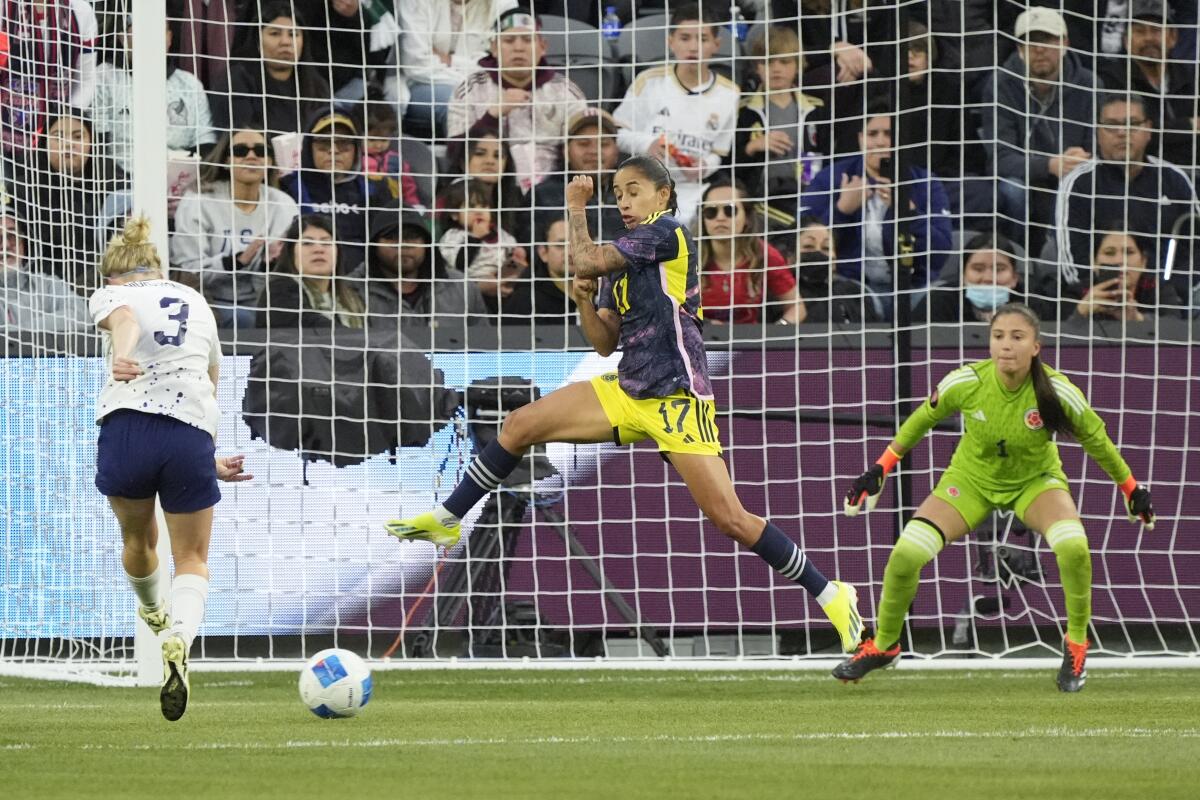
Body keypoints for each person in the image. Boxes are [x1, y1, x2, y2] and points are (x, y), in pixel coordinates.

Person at [384, 155, 865, 654]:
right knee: (520, 423)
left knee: (732, 519)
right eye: (616, 194)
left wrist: (575, 208)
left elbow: (587, 257)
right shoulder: (627, 259)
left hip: (675, 396)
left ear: (663, 195)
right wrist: (582, 301)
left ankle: (832, 595)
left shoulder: (668, 234)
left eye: (633, 190)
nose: (624, 201)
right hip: (627, 388)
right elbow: (601, 341)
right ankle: (448, 516)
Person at [835, 302, 1155, 692]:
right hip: (970, 481)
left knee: (1073, 547)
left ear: (1036, 346)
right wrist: (880, 468)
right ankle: (884, 645)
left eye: (1017, 337)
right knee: (906, 555)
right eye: (998, 336)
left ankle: (1076, 645)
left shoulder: (1057, 391)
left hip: (1035, 483)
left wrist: (1131, 488)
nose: (1006, 345)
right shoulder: (966, 382)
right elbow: (921, 419)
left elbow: (1097, 440)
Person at [89, 215, 252, 721]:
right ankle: (181, 635)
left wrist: (121, 355)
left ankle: (155, 615)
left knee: (139, 544)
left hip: (128, 428)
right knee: (194, 557)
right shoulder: (197, 301)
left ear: (112, 277)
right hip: (188, 435)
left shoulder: (113, 293)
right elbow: (211, 380)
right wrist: (206, 453)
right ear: (158, 267)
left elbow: (126, 323)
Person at [799, 97, 952, 309]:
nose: (880, 142)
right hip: (850, 285)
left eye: (889, 134)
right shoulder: (830, 178)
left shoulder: (926, 183)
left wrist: (909, 213)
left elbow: (939, 253)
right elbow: (802, 242)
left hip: (912, 287)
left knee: (942, 299)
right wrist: (842, 210)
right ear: (861, 139)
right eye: (872, 134)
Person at [1055, 94, 1198, 294]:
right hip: (1100, 300)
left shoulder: (1174, 178)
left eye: (1132, 124)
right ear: (1097, 131)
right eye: (1111, 125)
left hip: (1171, 299)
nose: (1122, 132)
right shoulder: (1078, 183)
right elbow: (1072, 263)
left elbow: (1195, 244)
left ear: (1149, 129)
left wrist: (1172, 292)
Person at [612, 1, 738, 227]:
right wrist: (647, 143)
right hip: (645, 187)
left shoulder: (729, 93)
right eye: (685, 38)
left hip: (697, 192)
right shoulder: (649, 82)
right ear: (671, 42)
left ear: (716, 44)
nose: (693, 47)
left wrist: (705, 166)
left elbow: (719, 152)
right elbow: (617, 135)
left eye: (703, 39)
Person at [983, 7, 1098, 253]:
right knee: (1013, 190)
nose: (1039, 49)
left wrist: (1076, 163)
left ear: (1064, 42)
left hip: (1075, 175)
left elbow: (1096, 148)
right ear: (1019, 48)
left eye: (1047, 39)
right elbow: (999, 160)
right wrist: (1049, 165)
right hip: (1026, 180)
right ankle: (1018, 260)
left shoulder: (1089, 84)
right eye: (1030, 41)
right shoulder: (1001, 85)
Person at [170, 128, 299, 328]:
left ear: (270, 161)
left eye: (260, 151)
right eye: (240, 151)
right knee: (244, 319)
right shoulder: (198, 201)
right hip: (207, 300)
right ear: (226, 160)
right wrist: (235, 263)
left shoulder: (284, 205)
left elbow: (287, 274)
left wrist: (268, 265)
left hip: (263, 301)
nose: (251, 156)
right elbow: (187, 270)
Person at [446, 6, 586, 191]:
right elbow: (454, 152)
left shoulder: (565, 92)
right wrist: (492, 115)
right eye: (509, 40)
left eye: (527, 40)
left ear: (543, 47)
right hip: (485, 191)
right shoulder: (471, 89)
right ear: (494, 47)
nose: (518, 48)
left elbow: (584, 150)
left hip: (551, 192)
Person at [11, 107, 131, 295]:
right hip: (44, 293)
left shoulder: (116, 183)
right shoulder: (21, 191)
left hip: (107, 286)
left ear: (91, 142)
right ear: (44, 143)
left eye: (77, 137)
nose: (68, 144)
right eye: (58, 136)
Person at [91, 2, 216, 175]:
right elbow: (97, 142)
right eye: (141, 30)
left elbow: (206, 143)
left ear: (170, 38)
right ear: (122, 38)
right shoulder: (103, 78)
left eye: (158, 30)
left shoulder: (190, 84)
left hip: (181, 182)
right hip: (121, 181)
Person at [733, 24, 829, 234]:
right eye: (768, 62)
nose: (776, 68)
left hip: (807, 202)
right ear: (757, 67)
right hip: (759, 206)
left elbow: (828, 156)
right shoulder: (743, 111)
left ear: (798, 65)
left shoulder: (817, 109)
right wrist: (752, 146)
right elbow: (728, 167)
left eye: (784, 61)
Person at [280, 111, 400, 269]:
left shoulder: (378, 188)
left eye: (343, 144)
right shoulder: (288, 186)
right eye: (324, 143)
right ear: (309, 148)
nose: (334, 150)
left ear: (356, 150)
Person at [1098, 1, 1199, 168]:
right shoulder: (1111, 79)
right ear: (1126, 41)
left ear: (1173, 38)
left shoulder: (1192, 77)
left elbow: (1145, 133)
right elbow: (1127, 135)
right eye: (1139, 31)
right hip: (1137, 177)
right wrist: (1188, 125)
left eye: (1156, 30)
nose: (1149, 38)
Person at [399, 0, 518, 139]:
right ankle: (461, 158)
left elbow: (501, 62)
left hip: (483, 85)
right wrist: (471, 80)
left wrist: (451, 60)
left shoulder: (503, 4)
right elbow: (416, 65)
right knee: (460, 102)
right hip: (420, 84)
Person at [358, 208, 490, 332]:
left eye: (412, 236)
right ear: (374, 245)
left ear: (426, 243)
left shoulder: (462, 287)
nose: (403, 244)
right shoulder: (351, 293)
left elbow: (482, 348)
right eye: (392, 237)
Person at [697, 180, 805, 325]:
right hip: (695, 339)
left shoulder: (766, 255)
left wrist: (776, 332)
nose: (720, 218)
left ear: (747, 218)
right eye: (711, 212)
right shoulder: (685, 256)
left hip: (748, 343)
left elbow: (797, 306)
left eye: (730, 210)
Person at [219, 2, 333, 137]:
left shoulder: (318, 87)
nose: (285, 42)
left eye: (293, 34)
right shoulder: (238, 81)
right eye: (275, 34)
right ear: (257, 40)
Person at [0, 0, 98, 156]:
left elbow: (86, 79)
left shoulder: (81, 11)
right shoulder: (3, 8)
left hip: (60, 136)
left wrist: (67, 122)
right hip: (8, 135)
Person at [532, 108, 627, 245]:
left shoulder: (633, 194)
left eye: (603, 144)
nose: (594, 151)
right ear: (566, 151)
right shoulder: (542, 196)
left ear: (617, 151)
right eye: (583, 143)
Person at [256, 214, 367, 330]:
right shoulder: (277, 292)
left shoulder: (353, 298)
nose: (318, 249)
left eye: (326, 243)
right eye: (307, 243)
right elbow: (313, 330)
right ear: (291, 253)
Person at [436, 178, 528, 318]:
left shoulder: (501, 234)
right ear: (454, 214)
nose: (479, 211)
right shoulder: (453, 236)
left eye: (484, 206)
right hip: (470, 289)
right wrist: (475, 238)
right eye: (471, 206)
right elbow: (459, 265)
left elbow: (511, 253)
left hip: (502, 283)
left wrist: (517, 256)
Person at [1061, 230, 1187, 323]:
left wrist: (1137, 319)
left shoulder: (1158, 290)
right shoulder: (1075, 294)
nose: (1120, 260)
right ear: (1094, 262)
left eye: (1129, 252)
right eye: (1109, 252)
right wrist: (1080, 312)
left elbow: (1175, 330)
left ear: (1143, 261)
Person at [0, 206, 90, 333]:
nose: (6, 245)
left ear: (24, 243)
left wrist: (13, 333)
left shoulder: (47, 285)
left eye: (12, 236)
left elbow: (81, 317)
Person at [915, 232, 1038, 324]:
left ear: (1014, 278)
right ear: (963, 276)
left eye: (999, 269)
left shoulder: (1032, 306)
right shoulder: (938, 303)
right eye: (978, 269)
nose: (988, 278)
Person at [793, 217, 881, 325]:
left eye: (826, 248)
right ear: (790, 255)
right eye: (808, 246)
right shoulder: (780, 295)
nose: (818, 252)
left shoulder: (855, 293)